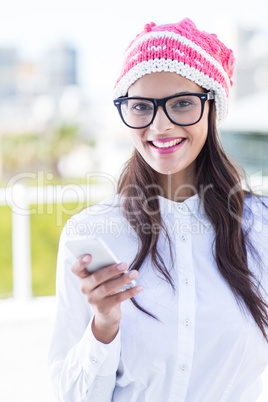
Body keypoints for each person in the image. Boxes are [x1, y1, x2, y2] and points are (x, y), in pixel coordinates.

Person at [48, 18, 268, 401]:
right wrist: (104, 324)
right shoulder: (91, 232)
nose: (160, 125)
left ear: (213, 106)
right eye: (141, 107)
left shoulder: (261, 227)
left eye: (182, 103)